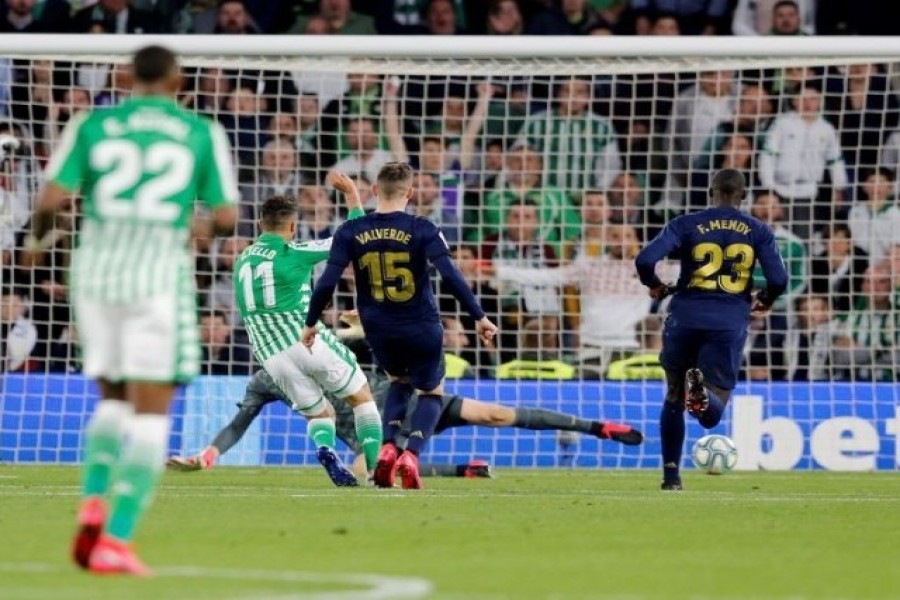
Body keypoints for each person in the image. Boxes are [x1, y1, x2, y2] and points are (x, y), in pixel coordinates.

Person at [32, 45, 239, 574]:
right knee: (151, 412)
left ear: (126, 77)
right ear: (178, 80)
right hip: (155, 280)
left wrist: (38, 242)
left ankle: (93, 500)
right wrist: (200, 227)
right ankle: (115, 536)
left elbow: (50, 202)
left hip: (95, 276)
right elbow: (226, 217)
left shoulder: (91, 125)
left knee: (114, 400)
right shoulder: (200, 131)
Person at [168, 312, 642, 478]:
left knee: (497, 414)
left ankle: (598, 427)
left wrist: (361, 325)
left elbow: (376, 336)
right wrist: (208, 454)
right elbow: (238, 424)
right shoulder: (267, 378)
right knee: (367, 469)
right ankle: (463, 470)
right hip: (371, 440)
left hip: (412, 401)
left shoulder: (327, 342)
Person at [301, 162, 499, 490]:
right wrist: (479, 316)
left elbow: (326, 283)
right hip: (421, 324)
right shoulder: (423, 228)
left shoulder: (350, 231)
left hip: (379, 329)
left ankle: (389, 446)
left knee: (398, 382)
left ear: (375, 190)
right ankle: (412, 455)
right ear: (410, 193)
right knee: (432, 392)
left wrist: (311, 323)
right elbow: (451, 276)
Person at [634, 169, 788, 492]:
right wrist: (765, 298)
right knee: (709, 415)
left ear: (710, 192)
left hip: (684, 317)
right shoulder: (758, 230)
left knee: (674, 397)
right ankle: (703, 395)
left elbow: (646, 258)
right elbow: (778, 279)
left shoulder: (686, 224)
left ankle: (671, 479)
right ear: (743, 196)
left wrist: (655, 286)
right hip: (728, 322)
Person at [235, 174, 382, 488]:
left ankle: (325, 449)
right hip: (305, 339)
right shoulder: (294, 251)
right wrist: (353, 197)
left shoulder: (243, 259)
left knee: (321, 413)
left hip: (270, 356)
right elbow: (352, 237)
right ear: (291, 227)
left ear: (261, 224)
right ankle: (374, 475)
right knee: (362, 397)